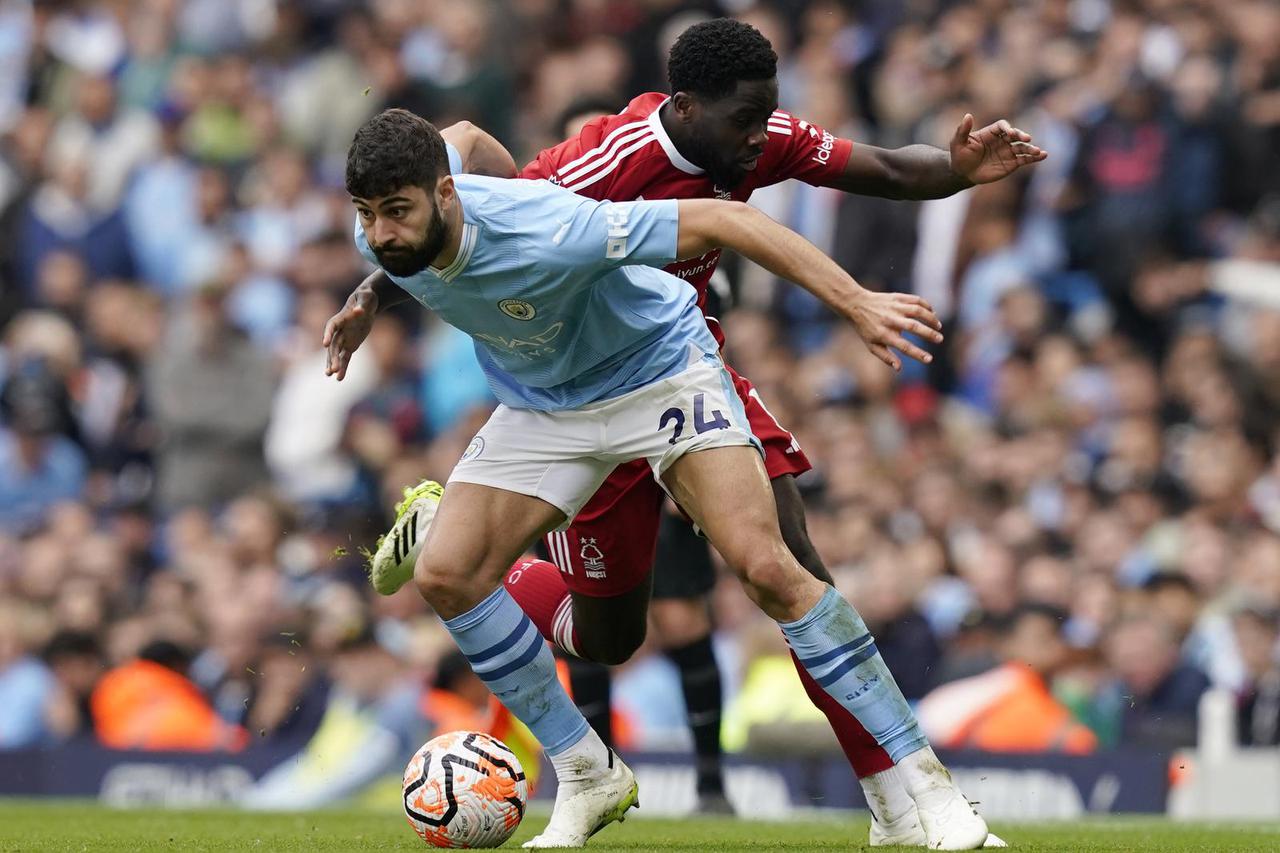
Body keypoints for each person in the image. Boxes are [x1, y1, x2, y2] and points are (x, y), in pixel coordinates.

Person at [358, 18, 1041, 845]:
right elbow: (476, 201)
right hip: (558, 401)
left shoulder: (748, 135)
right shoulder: (586, 178)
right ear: (686, 108)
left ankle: (912, 799)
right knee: (603, 636)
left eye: (768, 118)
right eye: (748, 123)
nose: (764, 140)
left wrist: (955, 177)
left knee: (778, 565)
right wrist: (371, 294)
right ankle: (583, 756)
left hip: (669, 366)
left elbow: (880, 170)